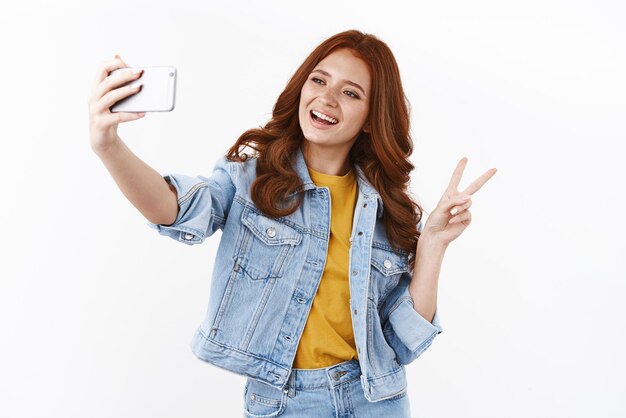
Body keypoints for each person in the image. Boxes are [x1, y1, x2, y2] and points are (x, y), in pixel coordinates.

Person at [87, 29, 496, 417]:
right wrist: (109, 148)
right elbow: (174, 209)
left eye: (350, 92)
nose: (328, 98)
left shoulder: (385, 210)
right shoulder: (251, 179)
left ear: (371, 118)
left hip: (377, 400)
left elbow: (405, 340)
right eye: (319, 81)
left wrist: (434, 244)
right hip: (284, 401)